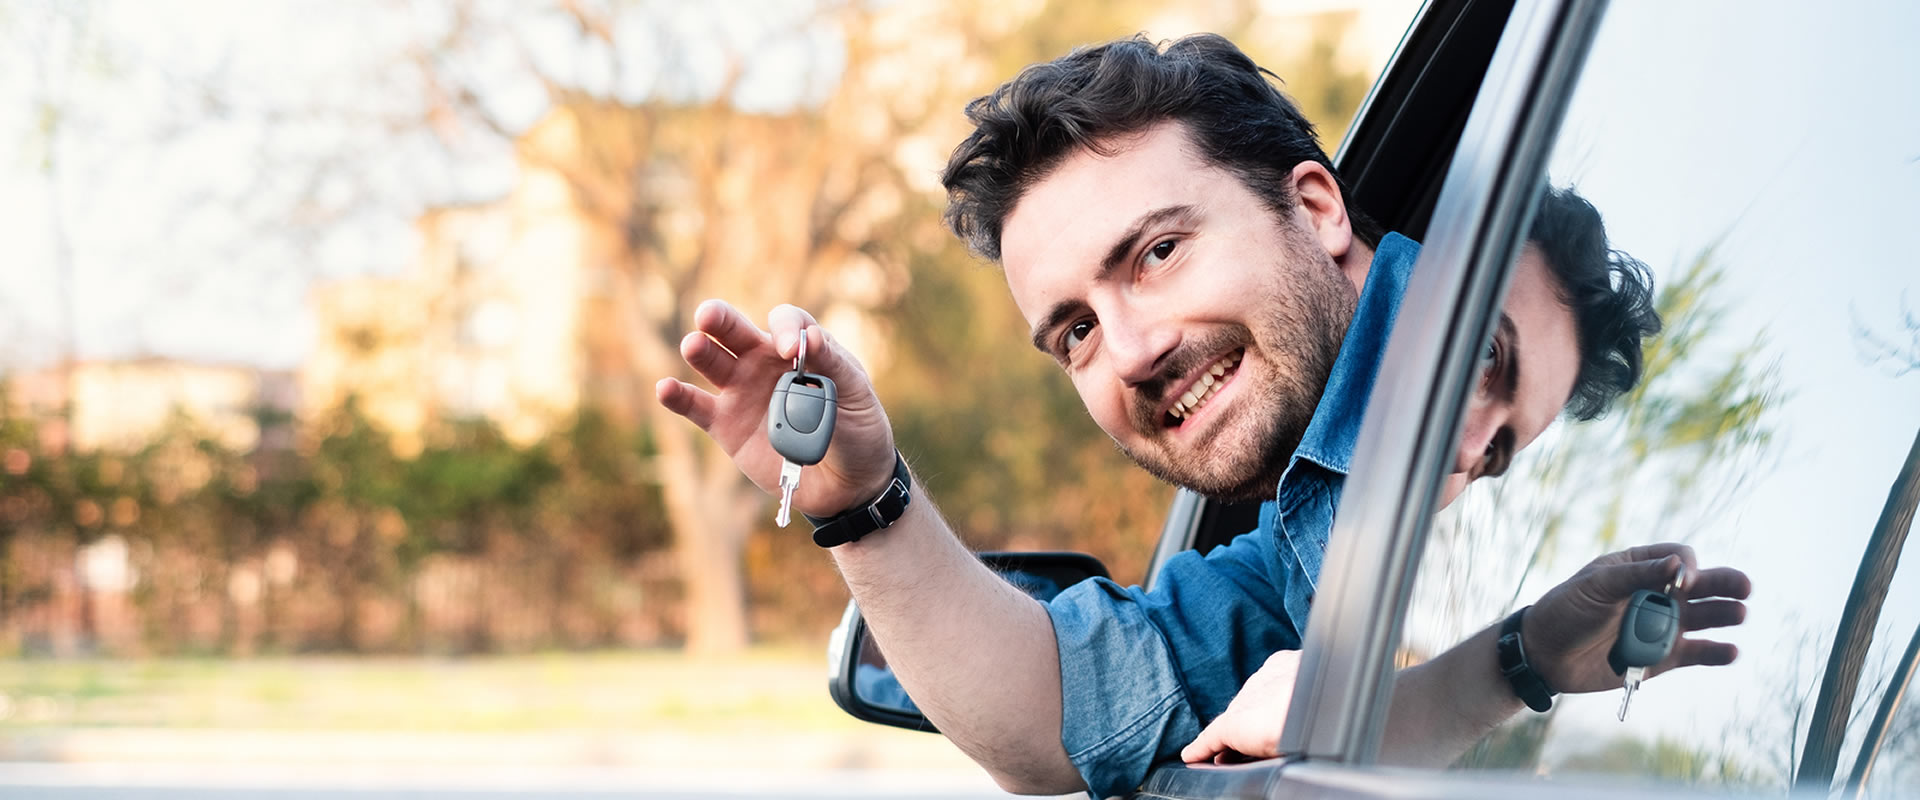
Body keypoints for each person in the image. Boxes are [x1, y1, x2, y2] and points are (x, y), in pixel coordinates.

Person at [655, 33, 1750, 798]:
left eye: (1159, 252)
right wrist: (860, 498)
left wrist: (1364, 703)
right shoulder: (1302, 530)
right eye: (1075, 329)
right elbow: (1054, 716)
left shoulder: (1474, 367)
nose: (1130, 350)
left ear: (1315, 206)